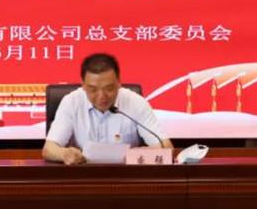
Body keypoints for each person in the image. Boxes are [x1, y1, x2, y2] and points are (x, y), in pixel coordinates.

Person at [43, 52, 172, 165]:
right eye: (93, 89)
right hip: (82, 176)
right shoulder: (72, 102)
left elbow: (166, 147)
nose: (102, 96)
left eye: (109, 88)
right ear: (83, 85)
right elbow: (49, 149)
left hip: (127, 177)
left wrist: (136, 155)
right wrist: (64, 154)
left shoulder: (135, 102)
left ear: (119, 83)